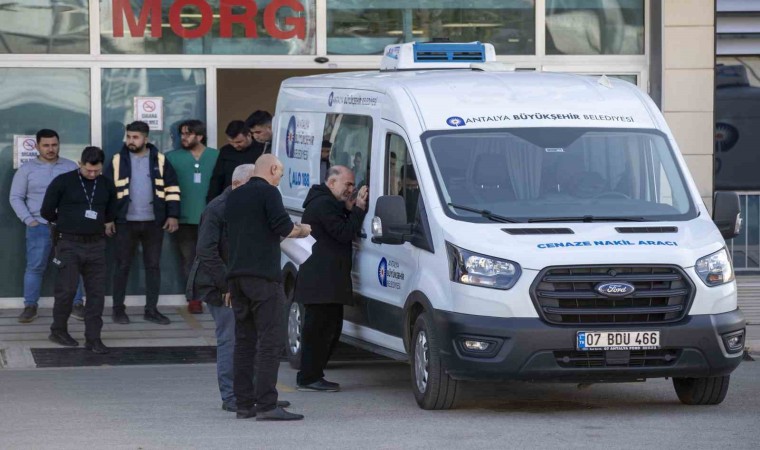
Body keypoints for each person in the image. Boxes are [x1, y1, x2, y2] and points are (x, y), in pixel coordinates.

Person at [225, 154, 311, 421]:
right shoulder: (269, 192)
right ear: (272, 169)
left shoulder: (234, 195)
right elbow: (282, 227)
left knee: (244, 341)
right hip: (263, 278)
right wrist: (303, 230)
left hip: (237, 277)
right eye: (280, 173)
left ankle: (244, 403)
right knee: (270, 341)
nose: (280, 178)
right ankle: (266, 404)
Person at [295, 166, 368, 392]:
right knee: (319, 332)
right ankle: (308, 377)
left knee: (330, 329)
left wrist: (347, 209)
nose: (351, 189)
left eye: (353, 185)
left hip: (326, 280)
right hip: (321, 282)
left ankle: (313, 374)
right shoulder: (323, 204)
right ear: (332, 182)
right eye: (347, 184)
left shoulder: (327, 202)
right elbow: (343, 232)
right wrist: (358, 210)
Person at [41, 146, 116, 354]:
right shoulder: (63, 181)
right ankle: (58, 330)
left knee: (96, 293)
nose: (92, 174)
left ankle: (93, 338)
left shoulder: (106, 184)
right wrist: (65, 222)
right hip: (69, 243)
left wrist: (107, 221)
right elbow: (46, 210)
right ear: (80, 164)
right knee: (66, 290)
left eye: (96, 170)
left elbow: (111, 210)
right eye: (88, 170)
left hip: (96, 244)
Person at [107, 121, 180, 326]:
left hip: (153, 223)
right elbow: (108, 192)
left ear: (146, 139)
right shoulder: (116, 160)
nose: (131, 141)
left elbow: (172, 188)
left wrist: (172, 215)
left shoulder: (160, 160)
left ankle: (151, 310)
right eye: (129, 137)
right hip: (124, 223)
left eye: (135, 137)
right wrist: (108, 219)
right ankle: (118, 310)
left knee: (153, 267)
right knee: (121, 267)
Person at [9, 129, 85, 323]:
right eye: (46, 145)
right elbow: (16, 197)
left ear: (59, 144)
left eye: (54, 145)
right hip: (39, 226)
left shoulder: (70, 167)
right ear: (37, 146)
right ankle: (30, 306)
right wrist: (29, 220)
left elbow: (81, 195)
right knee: (35, 267)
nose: (51, 149)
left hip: (67, 228)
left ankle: (77, 304)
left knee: (72, 266)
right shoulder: (27, 169)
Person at [166, 120, 219, 315]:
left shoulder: (216, 156)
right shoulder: (171, 157)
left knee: (212, 257)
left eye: (188, 134)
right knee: (189, 259)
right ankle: (194, 298)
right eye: (182, 134)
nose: (184, 138)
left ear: (200, 136)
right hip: (184, 218)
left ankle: (214, 294)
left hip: (211, 218)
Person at [207, 120, 263, 202]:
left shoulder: (262, 150)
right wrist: (211, 201)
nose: (235, 145)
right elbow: (217, 179)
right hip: (228, 198)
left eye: (239, 142)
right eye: (231, 142)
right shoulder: (225, 151)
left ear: (249, 135)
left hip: (253, 199)